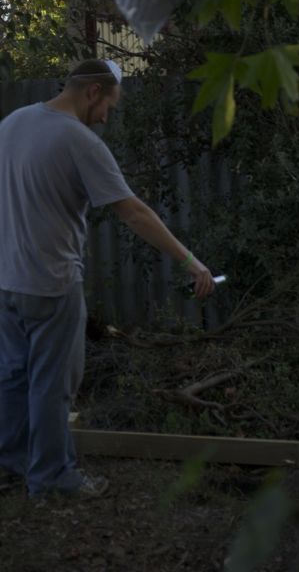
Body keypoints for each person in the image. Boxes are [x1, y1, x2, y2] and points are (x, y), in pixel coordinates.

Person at [0, 59, 215, 499]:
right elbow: (133, 212)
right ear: (93, 91)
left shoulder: (12, 123)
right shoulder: (79, 141)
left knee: (13, 377)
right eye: (109, 106)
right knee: (53, 385)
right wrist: (190, 260)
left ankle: (13, 464)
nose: (106, 117)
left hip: (7, 282)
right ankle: (53, 480)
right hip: (51, 283)